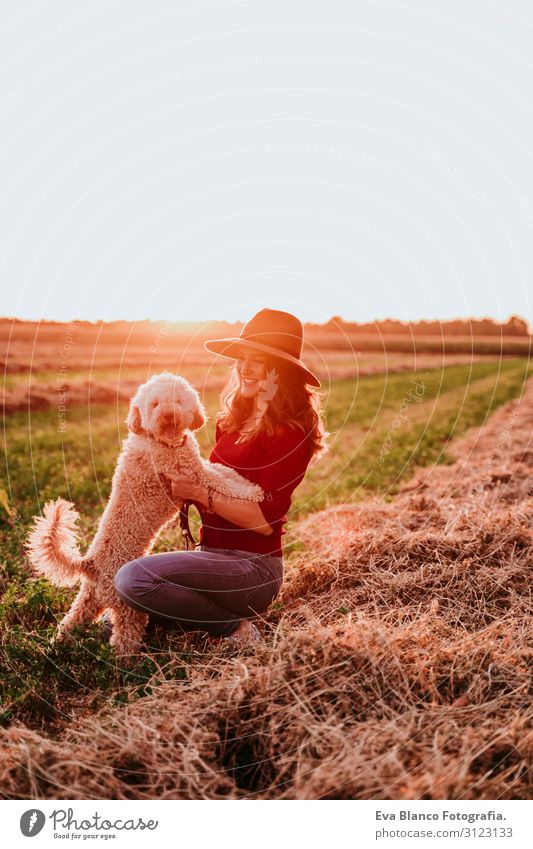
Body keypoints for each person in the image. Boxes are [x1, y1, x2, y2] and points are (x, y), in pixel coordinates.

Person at [106, 308, 328, 645]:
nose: (245, 367)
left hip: (253, 569)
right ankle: (191, 616)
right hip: (211, 555)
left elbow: (264, 520)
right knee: (120, 609)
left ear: (281, 370)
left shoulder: (289, 434)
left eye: (259, 359)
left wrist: (199, 492)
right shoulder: (231, 422)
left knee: (132, 580)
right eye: (243, 357)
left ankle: (233, 628)